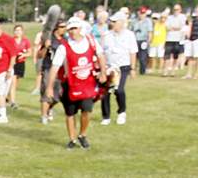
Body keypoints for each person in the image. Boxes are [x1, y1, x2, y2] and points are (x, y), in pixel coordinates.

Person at [47, 17, 106, 149]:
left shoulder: (91, 41)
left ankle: (82, 135)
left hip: (87, 83)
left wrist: (103, 72)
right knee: (70, 113)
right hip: (70, 84)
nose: (72, 32)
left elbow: (101, 55)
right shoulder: (64, 47)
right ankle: (72, 139)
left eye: (74, 28)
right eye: (70, 29)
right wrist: (49, 87)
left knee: (86, 110)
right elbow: (55, 67)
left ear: (80, 29)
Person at [100, 11, 137, 125]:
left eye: (115, 22)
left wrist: (133, 68)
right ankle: (106, 116)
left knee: (119, 90)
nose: (113, 23)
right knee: (105, 92)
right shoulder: (106, 35)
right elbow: (102, 52)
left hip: (123, 67)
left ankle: (121, 112)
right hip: (109, 66)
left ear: (121, 22)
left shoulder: (129, 35)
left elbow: (133, 52)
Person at [38, 18, 66, 124]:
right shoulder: (49, 39)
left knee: (59, 95)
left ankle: (49, 108)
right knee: (47, 93)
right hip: (48, 68)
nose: (65, 29)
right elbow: (39, 55)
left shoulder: (65, 40)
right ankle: (44, 116)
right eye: (62, 27)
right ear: (56, 28)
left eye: (65, 26)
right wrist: (45, 47)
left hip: (61, 70)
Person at [8, 24, 30, 109]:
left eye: (19, 30)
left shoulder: (25, 41)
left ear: (22, 32)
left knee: (16, 83)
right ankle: (13, 102)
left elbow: (29, 52)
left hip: (21, 63)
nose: (18, 32)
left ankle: (8, 97)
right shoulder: (11, 40)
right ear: (14, 32)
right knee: (12, 82)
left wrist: (24, 54)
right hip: (13, 62)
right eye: (16, 30)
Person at [163, 4, 186, 75]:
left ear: (180, 10)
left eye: (177, 9)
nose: (176, 11)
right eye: (175, 9)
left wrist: (173, 28)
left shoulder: (182, 17)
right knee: (167, 56)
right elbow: (167, 27)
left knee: (176, 56)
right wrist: (174, 28)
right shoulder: (170, 17)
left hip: (178, 39)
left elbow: (180, 26)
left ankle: (173, 71)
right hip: (169, 38)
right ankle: (165, 71)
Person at [131, 8, 152, 74]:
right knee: (134, 56)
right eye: (141, 13)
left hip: (143, 40)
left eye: (143, 13)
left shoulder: (148, 21)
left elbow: (150, 32)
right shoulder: (134, 21)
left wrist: (148, 41)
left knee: (142, 57)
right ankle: (132, 69)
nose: (142, 15)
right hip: (135, 40)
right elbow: (131, 31)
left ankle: (142, 71)